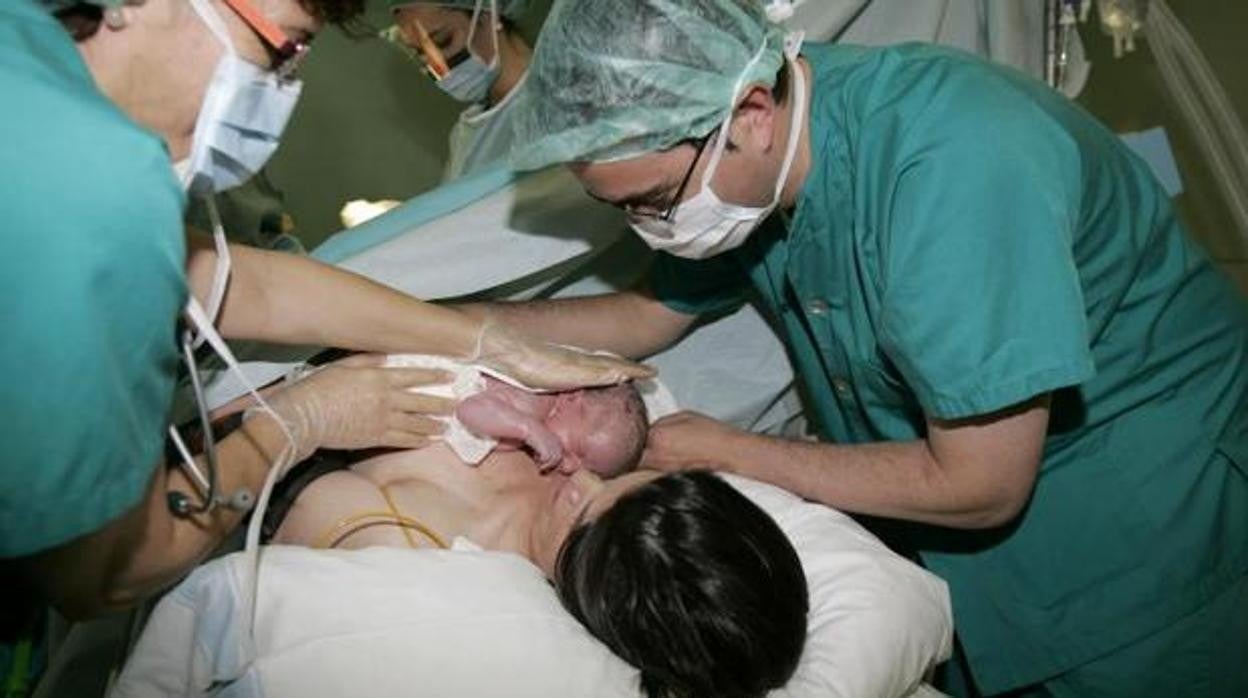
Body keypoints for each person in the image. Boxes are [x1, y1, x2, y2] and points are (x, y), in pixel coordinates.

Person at [462, 0, 1248, 696]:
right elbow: (644, 316)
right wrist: (438, 326)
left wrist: (729, 452)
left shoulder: (956, 168)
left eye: (656, 201)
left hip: (1144, 544)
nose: (652, 228)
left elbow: (983, 484)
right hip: (965, 564)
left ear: (752, 114)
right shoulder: (754, 165)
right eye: (626, 210)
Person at [0, 0, 651, 637]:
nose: (280, 86)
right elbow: (103, 575)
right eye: (281, 47)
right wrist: (299, 422)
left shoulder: (27, 62)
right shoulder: (102, 199)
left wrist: (486, 342)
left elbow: (247, 287)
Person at [267, 424, 808, 698]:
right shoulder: (575, 440)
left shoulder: (405, 551)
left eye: (582, 514)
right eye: (622, 481)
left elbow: (261, 468)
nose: (581, 477)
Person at [386, 0, 533, 181]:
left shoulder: (558, 98)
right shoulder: (467, 134)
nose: (435, 66)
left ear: (489, 14)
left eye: (443, 41)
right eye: (420, 52)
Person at [456, 378, 648, 475]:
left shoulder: (526, 433)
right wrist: (528, 429)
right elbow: (469, 409)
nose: (568, 468)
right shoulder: (535, 401)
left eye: (584, 472)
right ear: (571, 398)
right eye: (579, 452)